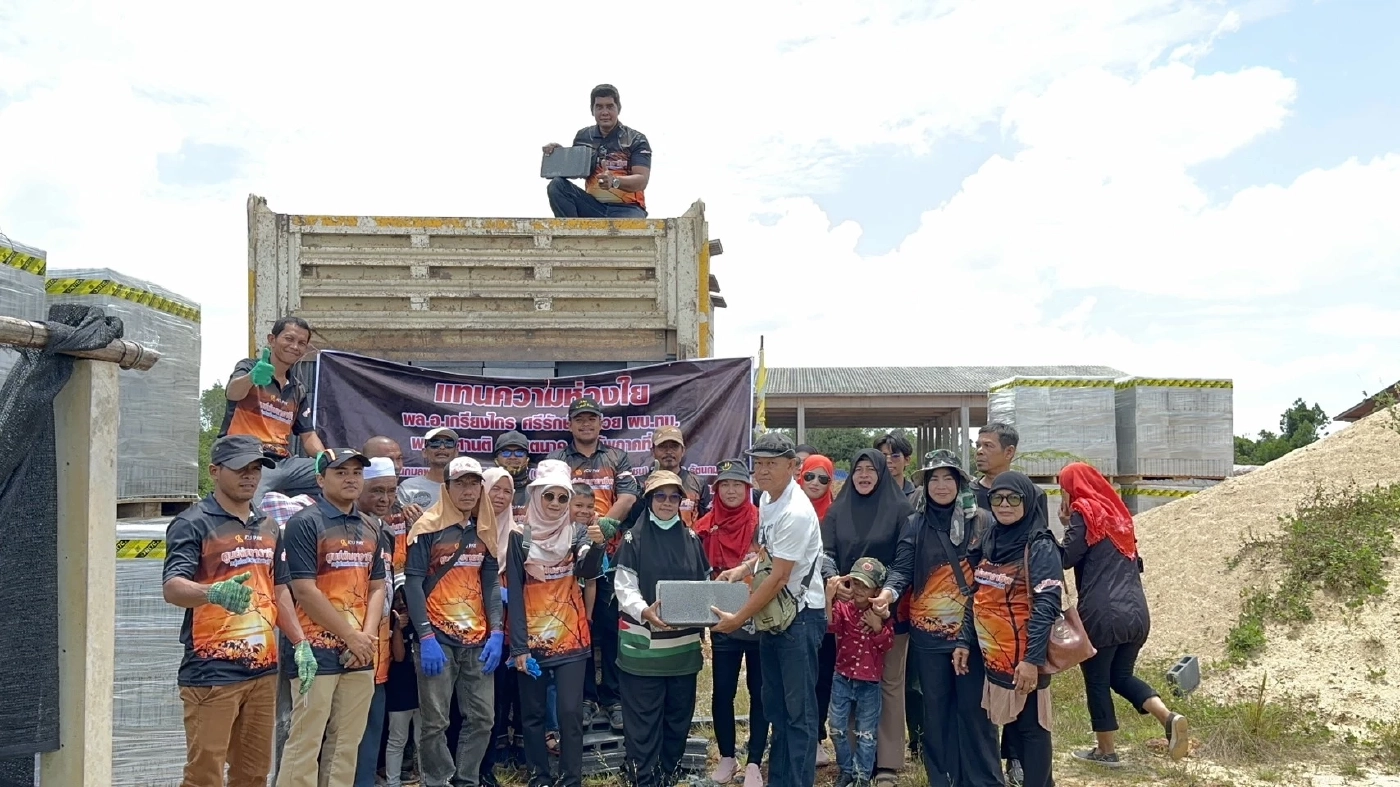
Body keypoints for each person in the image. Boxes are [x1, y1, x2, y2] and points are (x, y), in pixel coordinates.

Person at [162, 435, 279, 787]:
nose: (250, 476)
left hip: (262, 670)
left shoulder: (268, 525)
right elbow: (172, 587)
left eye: (256, 468)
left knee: (254, 774)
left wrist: (300, 641)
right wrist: (211, 592)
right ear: (215, 471)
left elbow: (281, 589)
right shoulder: (193, 523)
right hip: (211, 672)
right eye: (241, 468)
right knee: (205, 776)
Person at [711, 433, 826, 787]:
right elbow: (765, 551)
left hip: (801, 618)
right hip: (777, 617)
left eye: (771, 464)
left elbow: (778, 578)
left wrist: (738, 619)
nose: (761, 471)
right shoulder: (768, 498)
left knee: (799, 714)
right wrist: (743, 570)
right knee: (775, 706)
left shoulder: (795, 511)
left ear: (793, 467)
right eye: (758, 463)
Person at [1058, 462, 1189, 766]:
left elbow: (1066, 557)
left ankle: (1105, 751)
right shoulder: (1120, 517)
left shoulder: (1084, 511)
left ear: (1071, 487)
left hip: (1104, 614)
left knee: (1097, 679)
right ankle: (1168, 718)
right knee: (1121, 675)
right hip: (1136, 612)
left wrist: (1063, 526)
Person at [277, 449, 385, 787]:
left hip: (360, 653)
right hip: (314, 652)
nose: (351, 478)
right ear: (321, 480)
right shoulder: (305, 523)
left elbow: (377, 587)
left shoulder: (371, 526)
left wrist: (365, 639)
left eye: (356, 472)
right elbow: (305, 591)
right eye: (341, 473)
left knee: (346, 745)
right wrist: (351, 637)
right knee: (306, 741)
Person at [954, 472, 1063, 787]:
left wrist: (1032, 660)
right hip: (996, 658)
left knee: (1031, 730)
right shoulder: (992, 539)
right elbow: (979, 595)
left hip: (1025, 657)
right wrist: (964, 639)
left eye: (1013, 498)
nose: (1004, 505)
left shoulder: (1039, 544)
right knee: (1015, 727)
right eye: (998, 498)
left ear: (1027, 502)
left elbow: (1047, 605)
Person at [405, 456, 504, 787]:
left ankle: (466, 779)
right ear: (446, 487)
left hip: (477, 640)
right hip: (437, 639)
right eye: (460, 482)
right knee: (435, 722)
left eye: (474, 483)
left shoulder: (484, 529)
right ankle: (437, 781)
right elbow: (414, 583)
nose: (468, 490)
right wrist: (425, 637)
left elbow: (490, 582)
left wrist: (498, 632)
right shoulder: (427, 528)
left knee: (483, 718)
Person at [506, 460, 606, 787]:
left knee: (569, 714)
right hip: (532, 643)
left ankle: (571, 779)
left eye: (563, 498)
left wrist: (597, 544)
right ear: (536, 496)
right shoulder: (519, 537)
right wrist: (518, 647)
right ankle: (539, 777)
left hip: (572, 639)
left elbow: (587, 571)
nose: (555, 504)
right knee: (533, 717)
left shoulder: (576, 532)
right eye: (549, 496)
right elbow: (516, 597)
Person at [820, 450, 915, 784]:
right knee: (847, 681)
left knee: (888, 683)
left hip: (888, 611)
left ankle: (886, 762)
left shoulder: (901, 509)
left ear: (881, 474)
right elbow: (826, 553)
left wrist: (885, 595)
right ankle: (850, 764)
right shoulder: (837, 510)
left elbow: (905, 561)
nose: (863, 475)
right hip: (846, 611)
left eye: (869, 470)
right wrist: (837, 581)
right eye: (857, 470)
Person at [907, 450, 1000, 787]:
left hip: (973, 634)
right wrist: (886, 593)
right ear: (926, 484)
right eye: (934, 478)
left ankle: (984, 780)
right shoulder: (915, 523)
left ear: (960, 482)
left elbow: (992, 579)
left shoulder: (983, 522)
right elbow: (903, 568)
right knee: (937, 710)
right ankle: (942, 778)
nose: (941, 485)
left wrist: (969, 634)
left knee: (976, 712)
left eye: (948, 478)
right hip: (927, 637)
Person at [613, 471, 712, 787]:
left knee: (678, 716)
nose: (668, 503)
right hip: (642, 650)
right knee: (643, 720)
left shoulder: (692, 539)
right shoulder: (633, 539)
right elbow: (623, 587)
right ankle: (643, 777)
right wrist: (645, 611)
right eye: (660, 496)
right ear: (648, 500)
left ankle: (668, 771)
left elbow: (704, 586)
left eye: (674, 497)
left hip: (682, 651)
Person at [547, 396, 640, 731]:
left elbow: (628, 497)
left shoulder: (617, 456)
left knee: (610, 628)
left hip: (610, 555)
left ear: (601, 423)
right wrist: (578, 537)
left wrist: (598, 530)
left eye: (592, 419)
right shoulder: (558, 459)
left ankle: (613, 697)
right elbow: (548, 502)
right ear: (570, 425)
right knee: (580, 627)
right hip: (567, 557)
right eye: (579, 420)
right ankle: (586, 697)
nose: (586, 425)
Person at [971, 421, 1036, 786]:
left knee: (1022, 702)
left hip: (1018, 623)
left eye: (988, 446)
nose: (980, 451)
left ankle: (1016, 760)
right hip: (981, 614)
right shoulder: (968, 493)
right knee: (986, 697)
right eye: (978, 445)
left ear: (1009, 453)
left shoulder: (1028, 497)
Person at [696, 459, 767, 787]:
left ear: (748, 488)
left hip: (759, 612)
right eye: (725, 484)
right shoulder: (704, 525)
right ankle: (727, 756)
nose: (732, 490)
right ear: (717, 490)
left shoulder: (763, 521)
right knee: (723, 689)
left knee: (759, 689)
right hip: (722, 615)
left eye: (738, 484)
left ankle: (754, 760)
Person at [221, 316, 325, 507]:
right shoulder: (249, 367)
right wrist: (252, 378)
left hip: (283, 463)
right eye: (289, 339)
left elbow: (308, 436)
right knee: (246, 508)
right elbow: (233, 393)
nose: (295, 346)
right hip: (246, 457)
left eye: (302, 343)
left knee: (337, 478)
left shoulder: (297, 389)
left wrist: (325, 459)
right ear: (272, 340)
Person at [826, 557, 895, 787]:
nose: (858, 590)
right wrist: (829, 598)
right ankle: (846, 769)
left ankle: (862, 776)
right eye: (854, 583)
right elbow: (831, 626)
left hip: (869, 682)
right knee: (836, 727)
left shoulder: (883, 615)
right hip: (842, 677)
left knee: (867, 734)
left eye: (864, 586)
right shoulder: (844, 608)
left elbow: (887, 645)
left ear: (877, 590)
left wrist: (877, 627)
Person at [355, 458, 403, 787]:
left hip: (380, 649)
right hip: (349, 645)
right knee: (343, 733)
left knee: (372, 727)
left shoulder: (386, 532)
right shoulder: (347, 527)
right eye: (377, 491)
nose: (385, 499)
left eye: (390, 492)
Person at [543, 84, 652, 219]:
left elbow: (642, 180)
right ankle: (572, 236)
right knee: (557, 185)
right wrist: (560, 155)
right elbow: (575, 171)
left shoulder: (636, 139)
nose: (604, 112)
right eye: (599, 107)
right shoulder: (584, 137)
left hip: (628, 209)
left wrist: (615, 181)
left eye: (610, 106)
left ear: (619, 108)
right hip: (592, 207)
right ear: (592, 110)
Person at [481, 468, 525, 784]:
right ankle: (479, 767)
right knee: (482, 705)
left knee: (507, 698)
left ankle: (500, 760)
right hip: (475, 632)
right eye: (495, 489)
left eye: (507, 491)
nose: (500, 496)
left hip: (511, 631)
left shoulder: (517, 535)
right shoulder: (470, 529)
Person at [636, 425, 709, 526]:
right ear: (653, 451)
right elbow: (632, 522)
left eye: (674, 446)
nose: (669, 451)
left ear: (683, 450)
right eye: (662, 446)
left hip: (686, 541)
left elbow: (705, 524)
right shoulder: (640, 483)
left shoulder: (698, 483)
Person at [385, 579, 421, 787]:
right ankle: (392, 782)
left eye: (404, 600)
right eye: (397, 600)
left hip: (423, 686)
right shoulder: (391, 623)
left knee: (423, 739)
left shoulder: (423, 622)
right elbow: (398, 656)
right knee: (397, 739)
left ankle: (427, 778)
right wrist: (398, 628)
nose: (401, 604)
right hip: (400, 687)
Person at [400, 428, 461, 509]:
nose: (442, 447)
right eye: (435, 443)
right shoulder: (408, 487)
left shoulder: (466, 488)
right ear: (424, 452)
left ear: (456, 452)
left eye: (448, 443)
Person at [493, 430, 533, 523]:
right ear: (496, 459)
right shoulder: (486, 491)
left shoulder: (536, 491)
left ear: (527, 459)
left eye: (519, 453)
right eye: (506, 452)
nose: (513, 457)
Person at [874, 433, 917, 499]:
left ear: (907, 460)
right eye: (883, 456)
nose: (888, 460)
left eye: (895, 456)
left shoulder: (917, 495)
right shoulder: (869, 492)